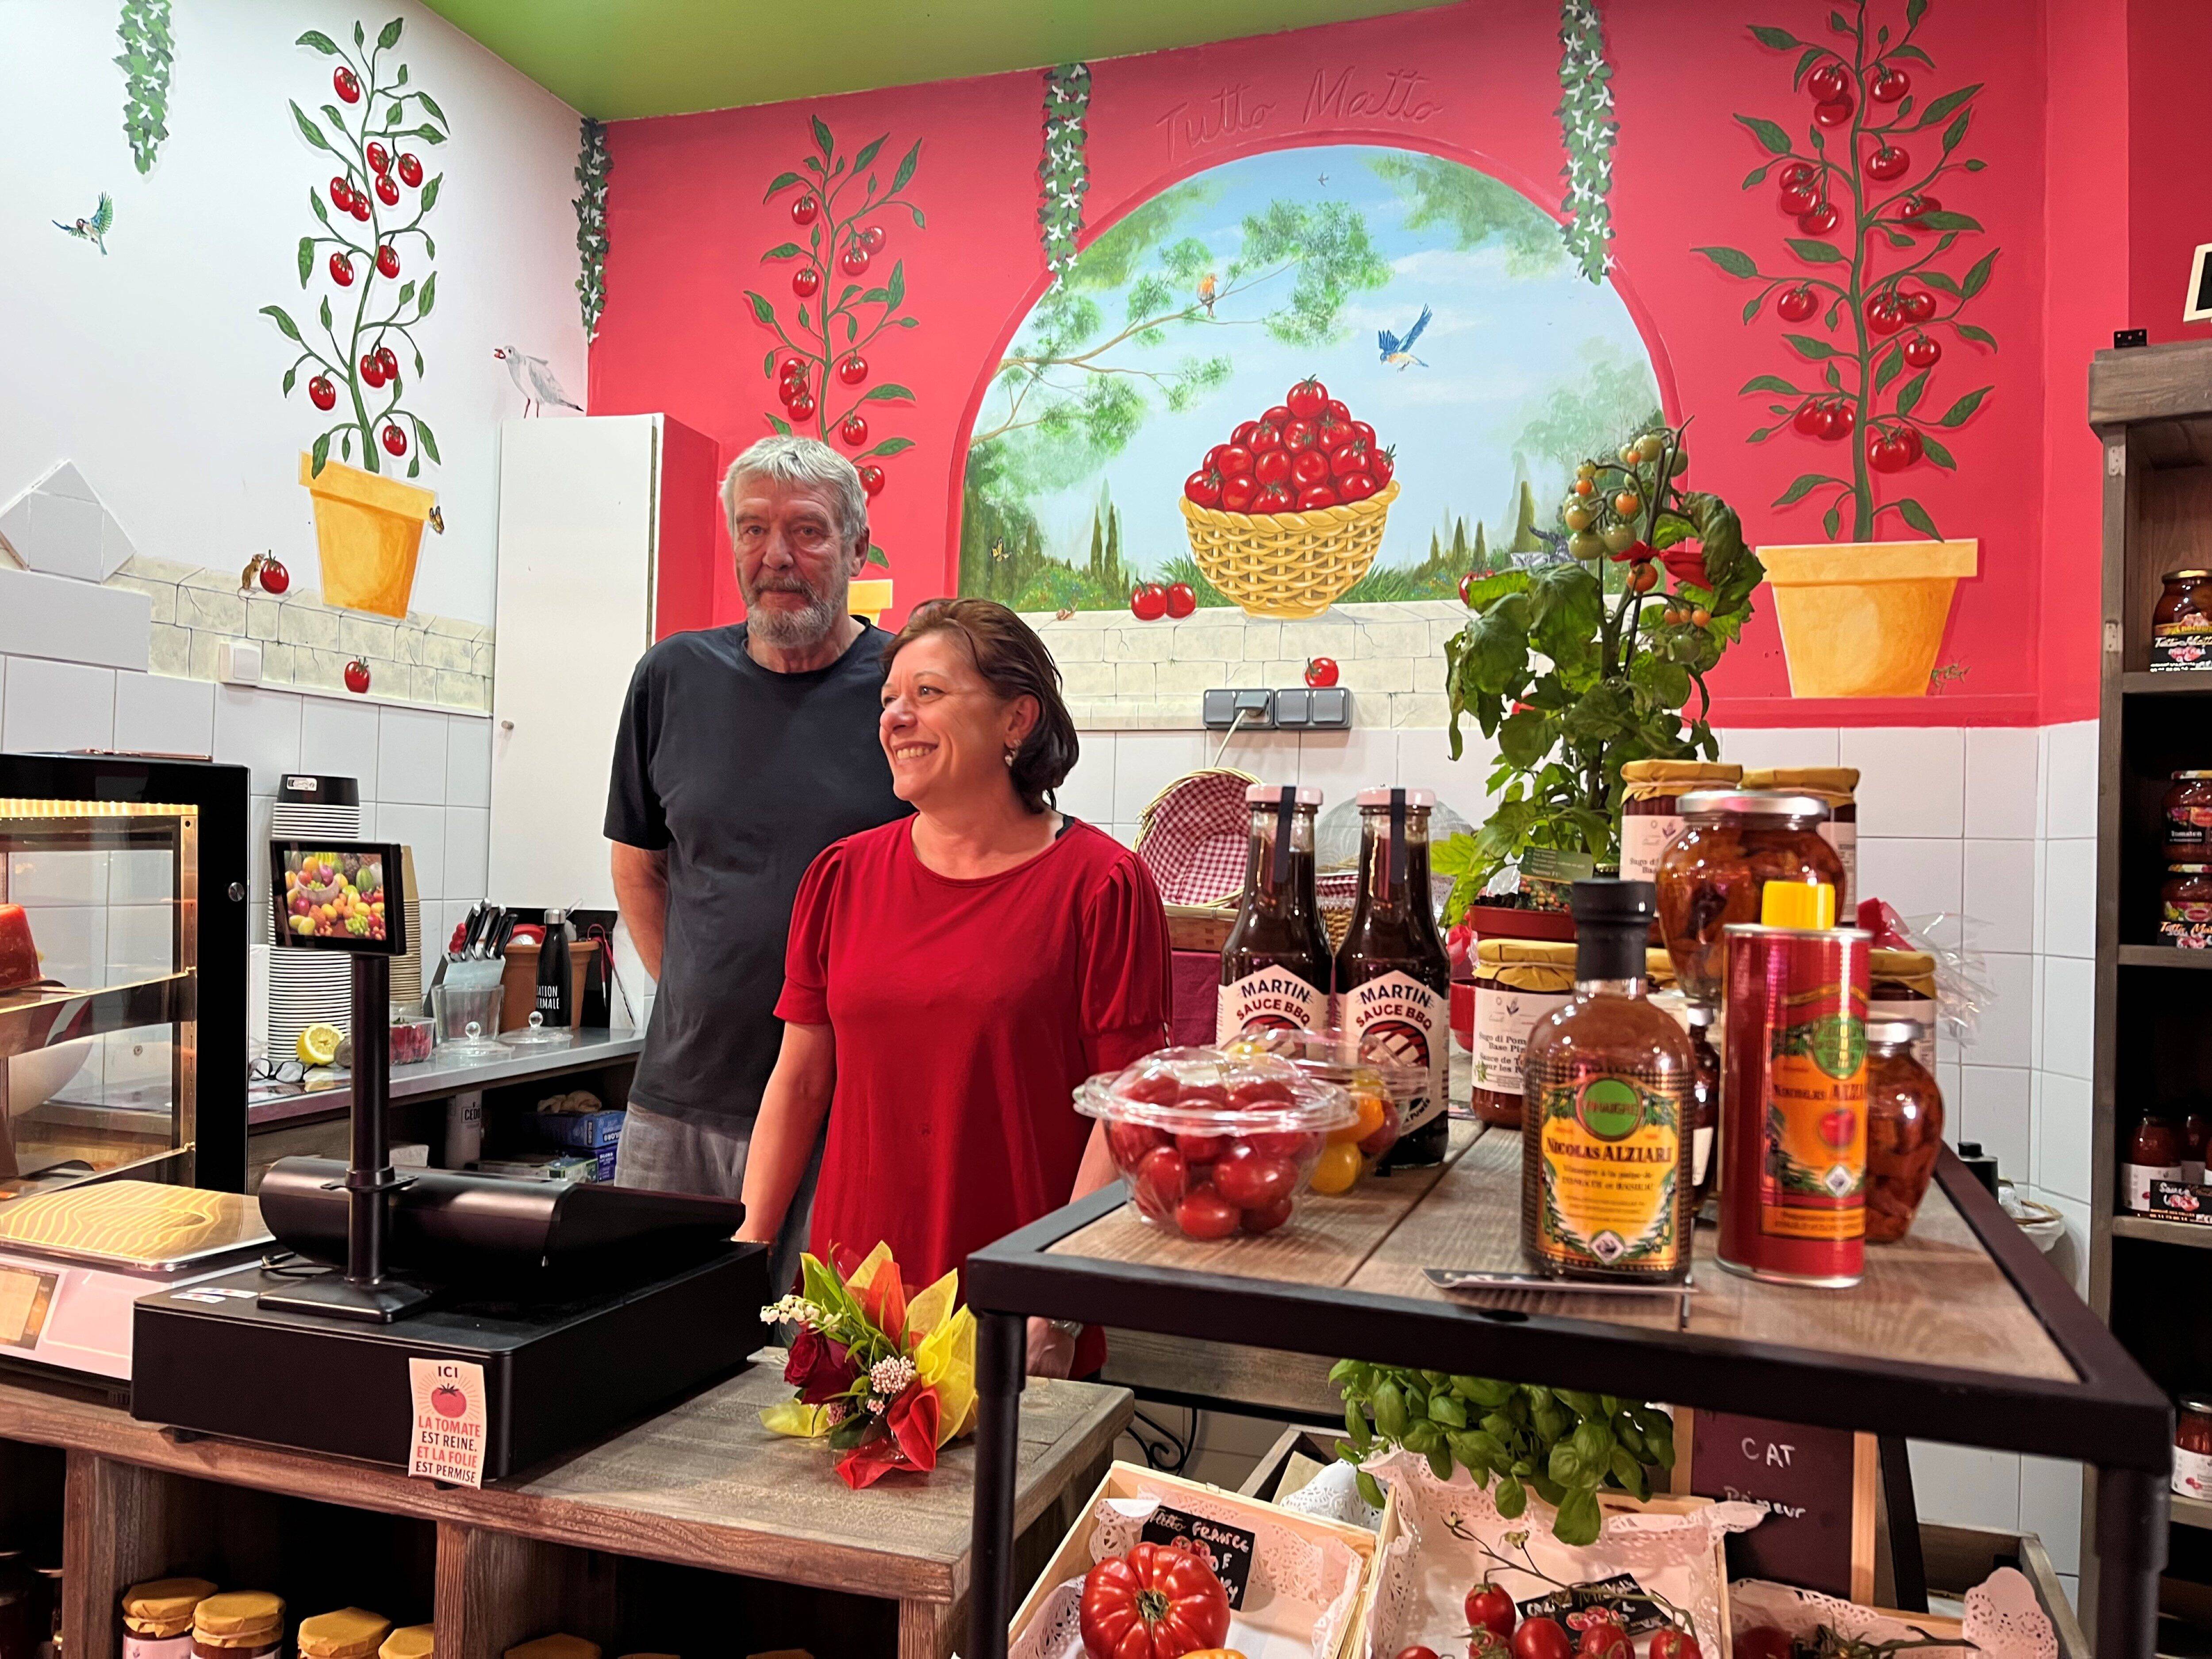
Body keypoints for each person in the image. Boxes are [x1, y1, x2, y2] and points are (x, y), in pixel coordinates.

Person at [738, 599, 1171, 1378]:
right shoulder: (840, 878)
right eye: (888, 699)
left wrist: (1059, 1304)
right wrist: (741, 1260)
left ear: (1017, 720)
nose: (897, 717)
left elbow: (1127, 1112)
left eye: (928, 693)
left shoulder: (1103, 884)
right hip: (855, 1311)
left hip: (1015, 1316)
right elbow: (798, 1083)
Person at [604, 434, 908, 1296]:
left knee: (826, 1373)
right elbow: (639, 868)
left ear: (856, 548)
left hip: (854, 1112)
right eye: (752, 530)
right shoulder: (671, 676)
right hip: (683, 1100)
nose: (776, 557)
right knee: (655, 1355)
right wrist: (698, 992)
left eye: (807, 532)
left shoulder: (903, 689)